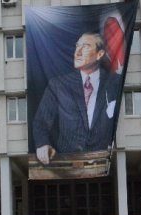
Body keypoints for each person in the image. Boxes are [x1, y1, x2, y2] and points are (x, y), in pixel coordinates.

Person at [33, 32, 121, 163]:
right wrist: (42, 144)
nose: (77, 53)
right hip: (67, 163)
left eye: (85, 47)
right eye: (77, 46)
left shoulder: (114, 83)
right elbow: (41, 122)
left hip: (105, 161)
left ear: (100, 54)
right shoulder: (58, 85)